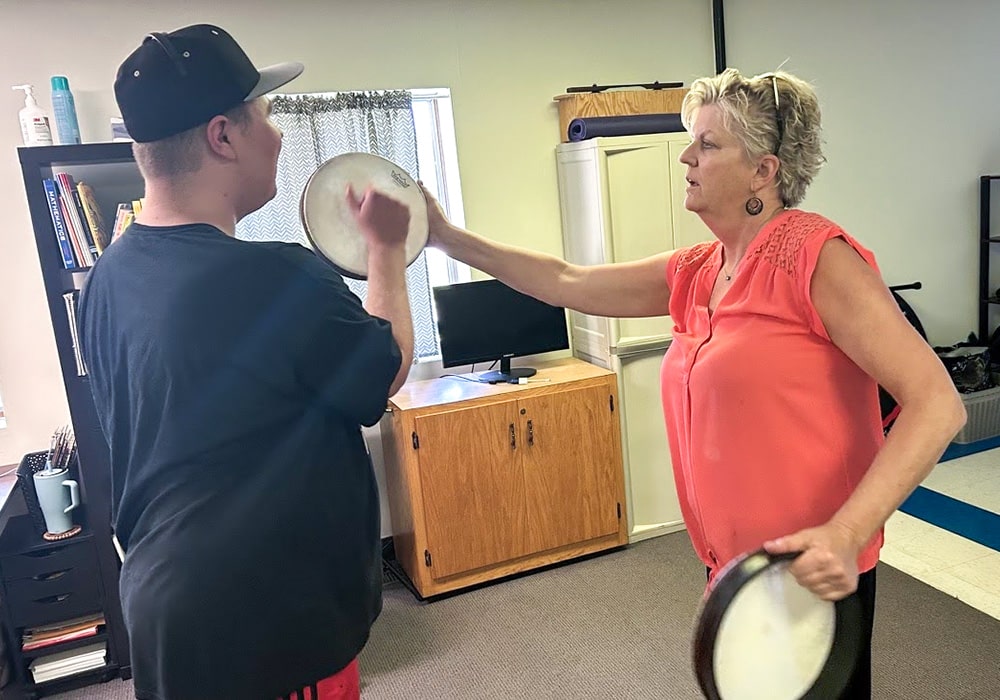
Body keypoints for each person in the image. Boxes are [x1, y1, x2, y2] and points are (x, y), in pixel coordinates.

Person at [421, 68, 966, 698]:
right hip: (735, 571)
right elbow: (567, 280)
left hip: (812, 570)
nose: (686, 156)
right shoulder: (699, 270)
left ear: (764, 171)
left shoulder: (815, 256)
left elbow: (937, 405)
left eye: (707, 144)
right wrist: (447, 237)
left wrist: (846, 534)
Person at [78, 24, 415, 700]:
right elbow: (388, 367)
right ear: (222, 136)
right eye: (264, 113)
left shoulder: (108, 277)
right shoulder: (275, 279)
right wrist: (385, 248)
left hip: (163, 608)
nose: (279, 132)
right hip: (262, 622)